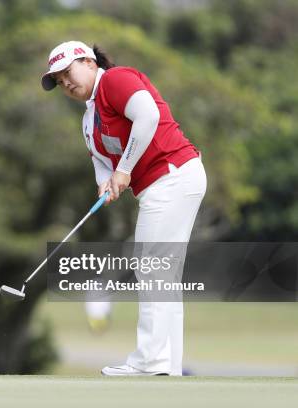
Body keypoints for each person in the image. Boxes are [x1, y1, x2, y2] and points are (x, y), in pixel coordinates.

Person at [41, 41, 206, 376]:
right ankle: (167, 365)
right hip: (163, 185)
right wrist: (106, 180)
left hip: (172, 175)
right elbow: (102, 162)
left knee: (151, 267)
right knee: (164, 276)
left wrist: (124, 169)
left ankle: (149, 362)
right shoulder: (89, 118)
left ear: (88, 61)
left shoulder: (115, 80)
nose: (66, 83)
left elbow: (148, 115)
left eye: (68, 73)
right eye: (58, 81)